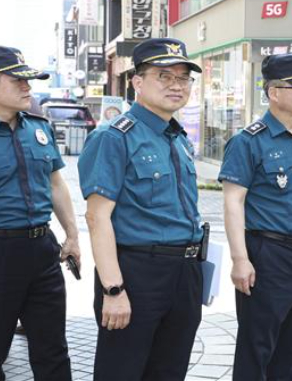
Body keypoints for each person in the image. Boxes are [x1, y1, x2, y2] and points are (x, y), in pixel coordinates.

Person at [78, 38, 204, 381]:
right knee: (122, 371)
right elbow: (96, 217)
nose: (176, 85)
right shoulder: (114, 137)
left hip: (185, 273)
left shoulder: (177, 138)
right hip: (137, 273)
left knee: (169, 370)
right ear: (137, 81)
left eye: (183, 78)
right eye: (164, 76)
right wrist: (113, 291)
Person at [0, 46, 80, 381]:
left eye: (29, 80)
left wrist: (73, 235)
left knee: (53, 352)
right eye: (18, 80)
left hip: (42, 251)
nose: (28, 87)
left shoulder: (38, 128)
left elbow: (56, 184)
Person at [218, 53, 292, 381]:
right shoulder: (248, 141)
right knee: (258, 346)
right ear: (274, 92)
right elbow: (233, 203)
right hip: (269, 256)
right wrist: (240, 260)